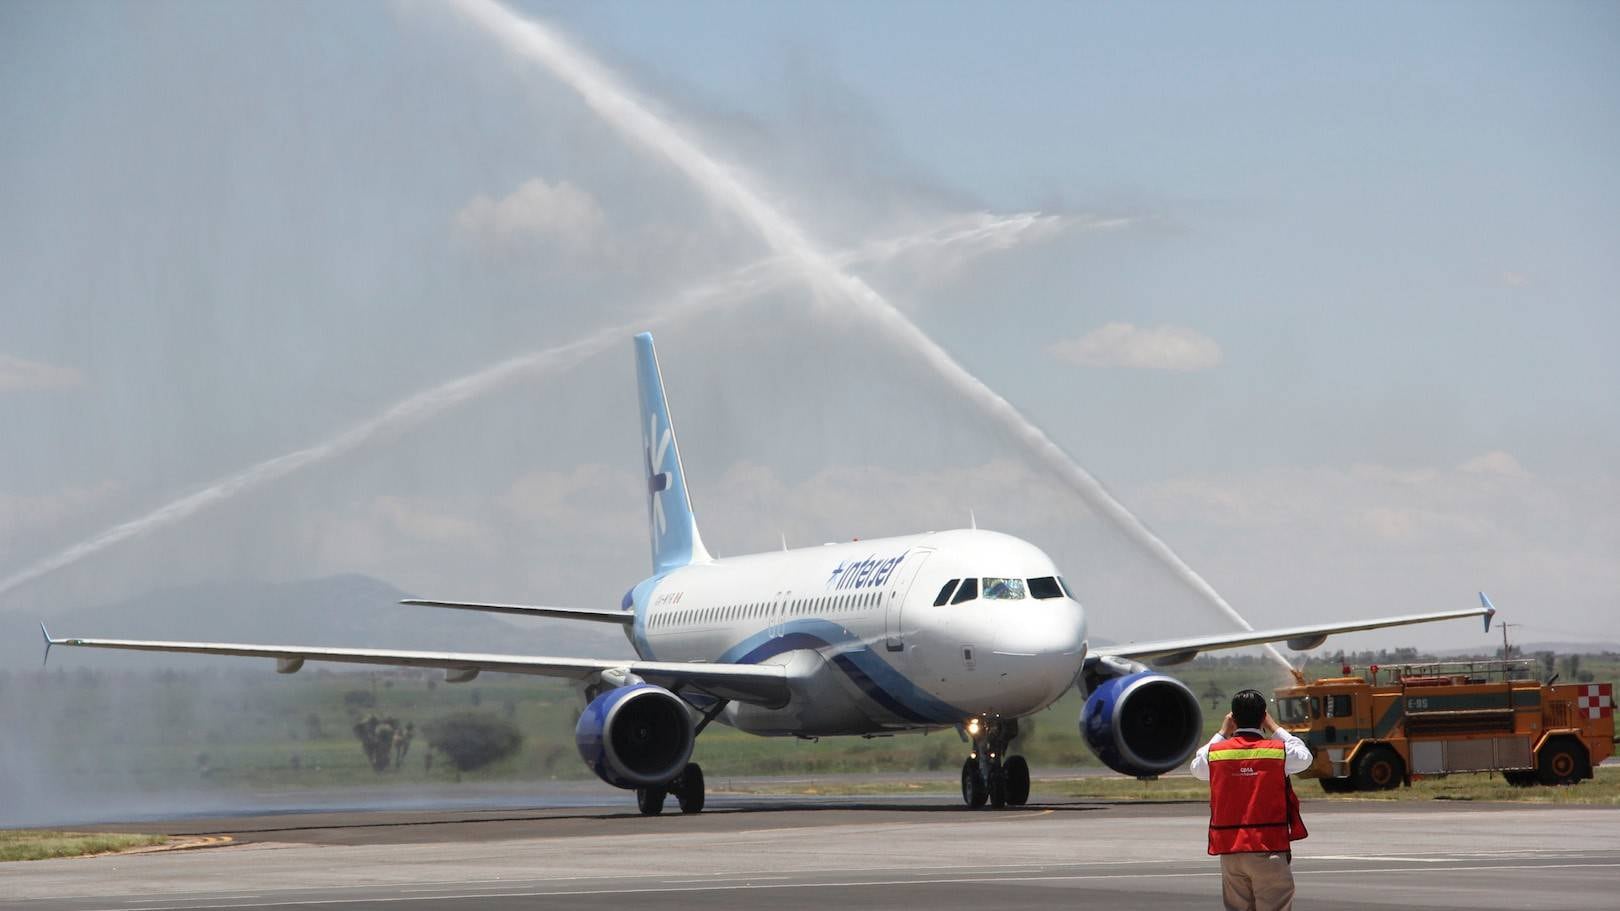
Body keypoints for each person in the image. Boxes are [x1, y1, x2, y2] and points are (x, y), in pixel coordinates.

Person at [1190, 689, 1314, 911]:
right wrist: (1275, 727)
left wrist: (1222, 732)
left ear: (1233, 719)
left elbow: (1197, 766)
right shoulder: (1277, 752)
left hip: (1231, 851)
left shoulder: (1217, 754)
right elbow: (1305, 757)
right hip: (1268, 847)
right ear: (1263, 717)